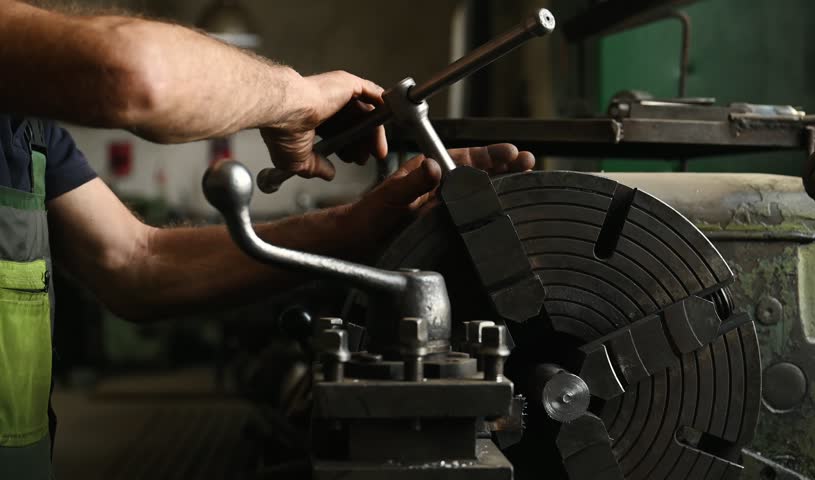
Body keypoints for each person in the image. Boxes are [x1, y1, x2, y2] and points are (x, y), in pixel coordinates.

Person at [0, 1, 535, 478]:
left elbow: (137, 262)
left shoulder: (27, 127)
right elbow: (131, 75)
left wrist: (354, 227)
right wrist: (295, 96)